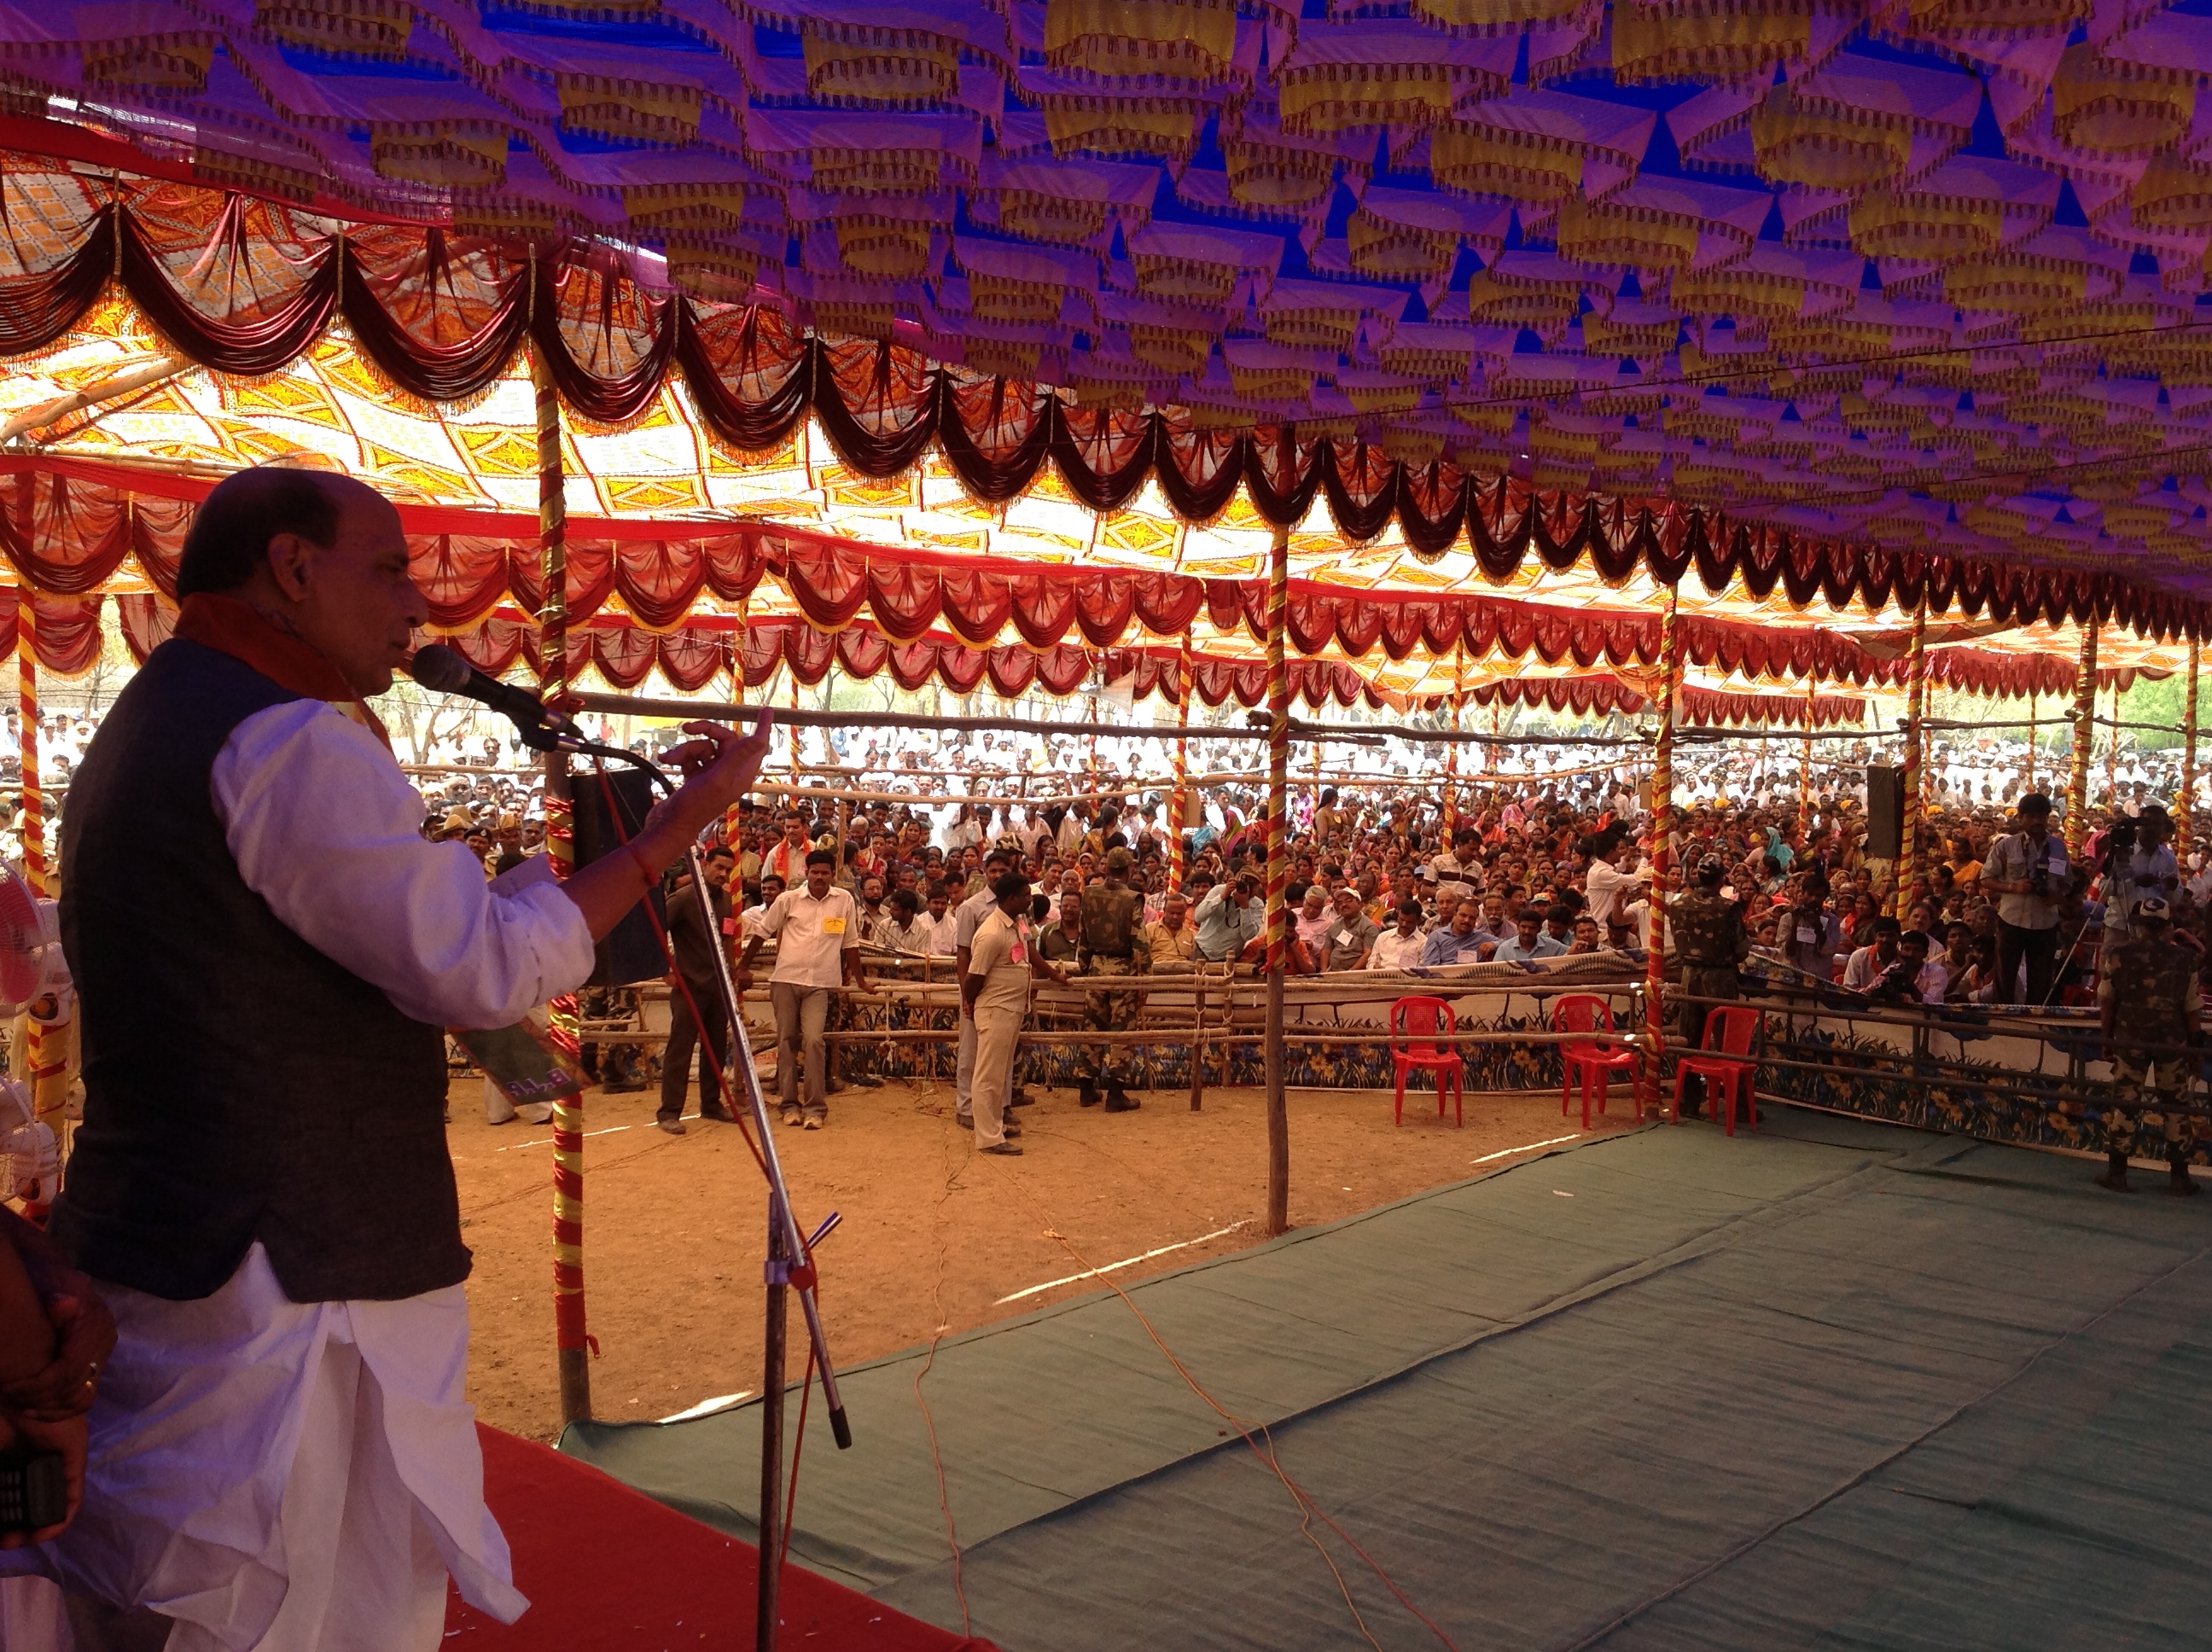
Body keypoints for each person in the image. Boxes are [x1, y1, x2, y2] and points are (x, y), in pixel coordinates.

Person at [9, 467, 769, 1648]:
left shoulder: (163, 715)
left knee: (188, 1594)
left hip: (184, 1239)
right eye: (389, 569)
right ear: (292, 569)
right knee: (283, 1602)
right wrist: (676, 830)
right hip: (286, 1273)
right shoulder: (284, 737)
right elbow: (474, 971)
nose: (417, 607)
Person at [739, 847, 863, 1128]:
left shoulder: (844, 900)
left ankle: (816, 1108)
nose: (820, 877)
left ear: (833, 875)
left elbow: (851, 942)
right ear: (806, 873)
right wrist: (743, 967)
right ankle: (789, 1105)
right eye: (815, 872)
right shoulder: (788, 900)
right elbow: (762, 932)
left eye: (825, 873)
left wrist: (861, 980)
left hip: (820, 983)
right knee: (786, 1041)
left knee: (814, 1040)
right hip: (786, 979)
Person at [2094, 896, 2201, 1195]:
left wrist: (2107, 1039)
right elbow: (2193, 1008)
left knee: (2125, 1105)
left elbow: (2106, 1001)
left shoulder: (2117, 955)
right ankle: (2179, 1177)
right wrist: (2195, 1049)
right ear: (2168, 926)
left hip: (2130, 1039)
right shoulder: (2185, 959)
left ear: (2139, 924)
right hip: (2172, 1042)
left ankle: (2117, 1173)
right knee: (2175, 1107)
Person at [962, 874, 1072, 1156]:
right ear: (1010, 899)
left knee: (1000, 1073)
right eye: (1025, 895)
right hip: (996, 1008)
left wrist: (1053, 975)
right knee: (988, 1074)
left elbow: (1029, 950)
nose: (1029, 899)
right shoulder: (991, 933)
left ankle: (995, 1125)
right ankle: (988, 1137)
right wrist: (968, 1003)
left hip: (1012, 1008)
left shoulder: (1019, 922)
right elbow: (974, 977)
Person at [656, 842, 738, 1136]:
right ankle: (669, 1111)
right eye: (718, 867)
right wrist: (666, 969)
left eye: (728, 870)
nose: (723, 874)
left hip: (718, 986)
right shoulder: (684, 897)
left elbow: (728, 935)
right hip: (689, 984)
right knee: (680, 1048)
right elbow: (657, 928)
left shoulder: (726, 900)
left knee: (715, 1048)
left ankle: (711, 1104)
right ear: (705, 865)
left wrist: (732, 969)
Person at [1077, 847, 1150, 1111]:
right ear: (1129, 868)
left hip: (1096, 966)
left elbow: (1084, 937)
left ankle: (1087, 1088)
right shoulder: (1133, 899)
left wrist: (1084, 967)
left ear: (1106, 868)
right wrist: (1144, 981)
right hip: (1123, 969)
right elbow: (1140, 943)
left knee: (1092, 1026)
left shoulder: (1089, 895)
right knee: (1122, 1030)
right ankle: (1116, 1093)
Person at [1980, 793, 2068, 1003]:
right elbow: (1986, 879)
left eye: (2041, 816)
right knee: (2004, 977)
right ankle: (2001, 1024)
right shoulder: (2006, 846)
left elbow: (2067, 882)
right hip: (2012, 920)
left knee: (2041, 979)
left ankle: (2034, 1025)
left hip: (2045, 922)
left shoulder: (2058, 847)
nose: (2037, 821)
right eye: (2031, 816)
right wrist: (2013, 887)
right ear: (2020, 818)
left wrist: (2056, 896)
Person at [1668, 857, 1747, 1062]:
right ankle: (1728, 1088)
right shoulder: (1729, 907)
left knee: (1688, 1037)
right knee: (1726, 1038)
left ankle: (1688, 1090)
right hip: (1720, 977)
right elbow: (1742, 950)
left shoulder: (1678, 904)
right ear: (1721, 879)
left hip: (1689, 974)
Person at [1194, 872, 1264, 963]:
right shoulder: (1220, 890)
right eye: (1243, 883)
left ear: (1259, 886)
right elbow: (1198, 917)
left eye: (1252, 885)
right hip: (1201, 952)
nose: (1247, 888)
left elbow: (1248, 935)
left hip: (1229, 959)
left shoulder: (1257, 905)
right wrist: (1222, 897)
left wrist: (1244, 906)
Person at [1318, 887, 1380, 972]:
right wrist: (1324, 970)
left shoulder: (1369, 927)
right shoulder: (1334, 926)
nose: (1344, 905)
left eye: (1349, 900)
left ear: (1359, 903)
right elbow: (1326, 950)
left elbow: (1368, 954)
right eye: (1340, 903)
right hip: (1332, 973)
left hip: (1356, 975)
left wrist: (1350, 972)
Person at [1143, 890, 1201, 965]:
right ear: (1164, 911)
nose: (1175, 917)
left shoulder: (1192, 935)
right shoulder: (1150, 929)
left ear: (1185, 913)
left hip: (1184, 973)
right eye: (1172, 913)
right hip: (1157, 972)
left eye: (1179, 913)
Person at [1492, 909, 1565, 964]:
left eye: (1532, 928)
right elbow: (1495, 972)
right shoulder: (1505, 949)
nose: (1527, 931)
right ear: (1517, 926)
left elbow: (1570, 955)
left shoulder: (1553, 947)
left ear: (1539, 929)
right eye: (1523, 927)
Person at [1370, 904, 1427, 970]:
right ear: (1398, 916)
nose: (1404, 924)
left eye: (1409, 922)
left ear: (1418, 921)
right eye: (1402, 919)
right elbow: (1371, 962)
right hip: (1381, 977)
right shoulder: (1383, 937)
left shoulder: (1424, 942)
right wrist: (1374, 968)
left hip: (1409, 979)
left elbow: (1422, 970)